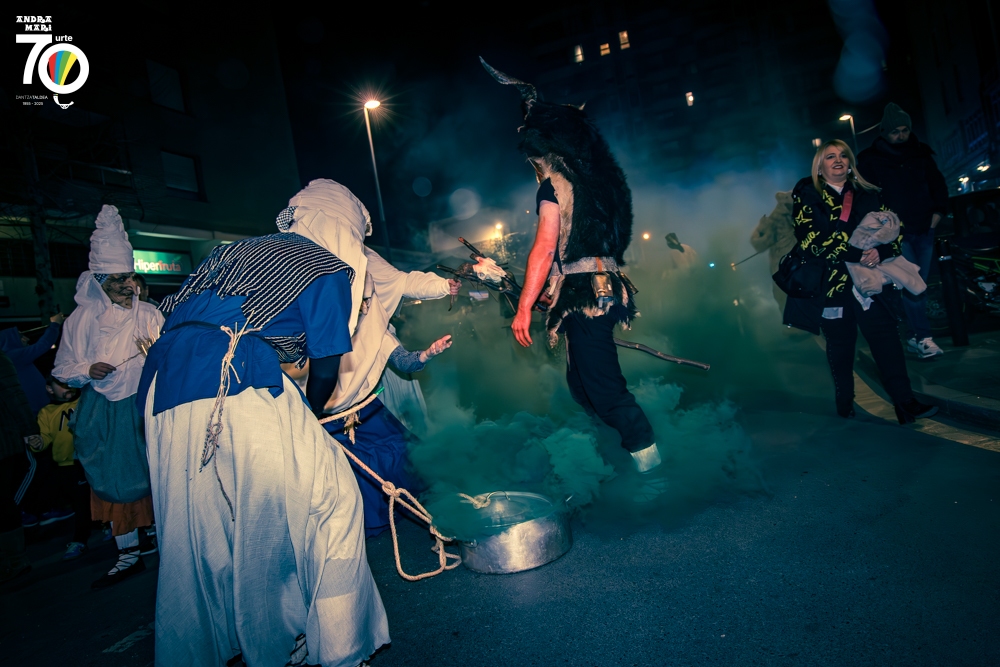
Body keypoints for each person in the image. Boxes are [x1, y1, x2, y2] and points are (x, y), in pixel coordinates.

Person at [138, 179, 388, 667]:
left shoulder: (230, 251)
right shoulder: (325, 265)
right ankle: (337, 645)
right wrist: (312, 417)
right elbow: (327, 365)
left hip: (163, 387)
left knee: (203, 534)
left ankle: (226, 646)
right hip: (238, 375)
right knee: (325, 503)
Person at [481, 58, 664, 502]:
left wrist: (524, 307)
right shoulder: (604, 184)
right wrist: (551, 287)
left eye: (534, 154)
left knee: (605, 390)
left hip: (587, 296)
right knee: (583, 387)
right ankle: (618, 459)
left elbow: (545, 249)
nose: (533, 162)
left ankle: (656, 475)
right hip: (601, 289)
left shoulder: (556, 186)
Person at [276, 181, 460, 538]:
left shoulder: (369, 306)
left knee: (398, 452)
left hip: (363, 407)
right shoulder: (287, 269)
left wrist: (439, 295)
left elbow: (402, 342)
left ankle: (396, 514)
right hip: (314, 413)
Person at [782, 140, 938, 424]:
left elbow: (896, 230)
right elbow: (810, 241)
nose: (838, 160)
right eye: (830, 156)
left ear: (851, 163)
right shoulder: (807, 195)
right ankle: (845, 398)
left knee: (887, 341)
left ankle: (905, 402)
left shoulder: (870, 193)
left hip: (872, 282)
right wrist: (858, 254)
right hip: (832, 285)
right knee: (841, 344)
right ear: (820, 166)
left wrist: (882, 252)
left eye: (843, 155)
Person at [52, 204, 164, 588]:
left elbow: (166, 354)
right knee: (114, 481)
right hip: (104, 409)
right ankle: (128, 553)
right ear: (98, 280)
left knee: (157, 472)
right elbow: (63, 367)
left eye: (130, 277)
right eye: (117, 279)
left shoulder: (148, 313)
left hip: (146, 403)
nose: (126, 284)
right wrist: (88, 369)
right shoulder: (81, 320)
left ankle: (159, 536)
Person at [857, 103, 949, 359]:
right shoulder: (870, 160)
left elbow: (938, 185)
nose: (901, 135)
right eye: (895, 131)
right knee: (912, 283)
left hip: (924, 228)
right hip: (895, 234)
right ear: (885, 132)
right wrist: (882, 228)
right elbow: (866, 196)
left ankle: (913, 337)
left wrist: (937, 214)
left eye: (905, 130)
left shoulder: (921, 154)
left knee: (918, 283)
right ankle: (922, 338)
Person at [34, 376, 91, 560]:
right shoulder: (46, 412)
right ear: (49, 389)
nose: (67, 387)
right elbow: (45, 438)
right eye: (61, 384)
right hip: (65, 466)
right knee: (79, 501)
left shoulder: (84, 401)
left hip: (89, 460)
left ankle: (94, 532)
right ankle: (82, 538)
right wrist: (38, 443)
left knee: (91, 498)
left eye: (69, 383)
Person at [0, 350, 41, 583]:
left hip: (4, 441)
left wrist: (29, 430)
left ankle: (15, 560)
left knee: (3, 502)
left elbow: (14, 393)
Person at [750, 191, 796, 311]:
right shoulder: (777, 217)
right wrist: (763, 232)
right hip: (783, 268)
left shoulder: (812, 214)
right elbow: (759, 243)